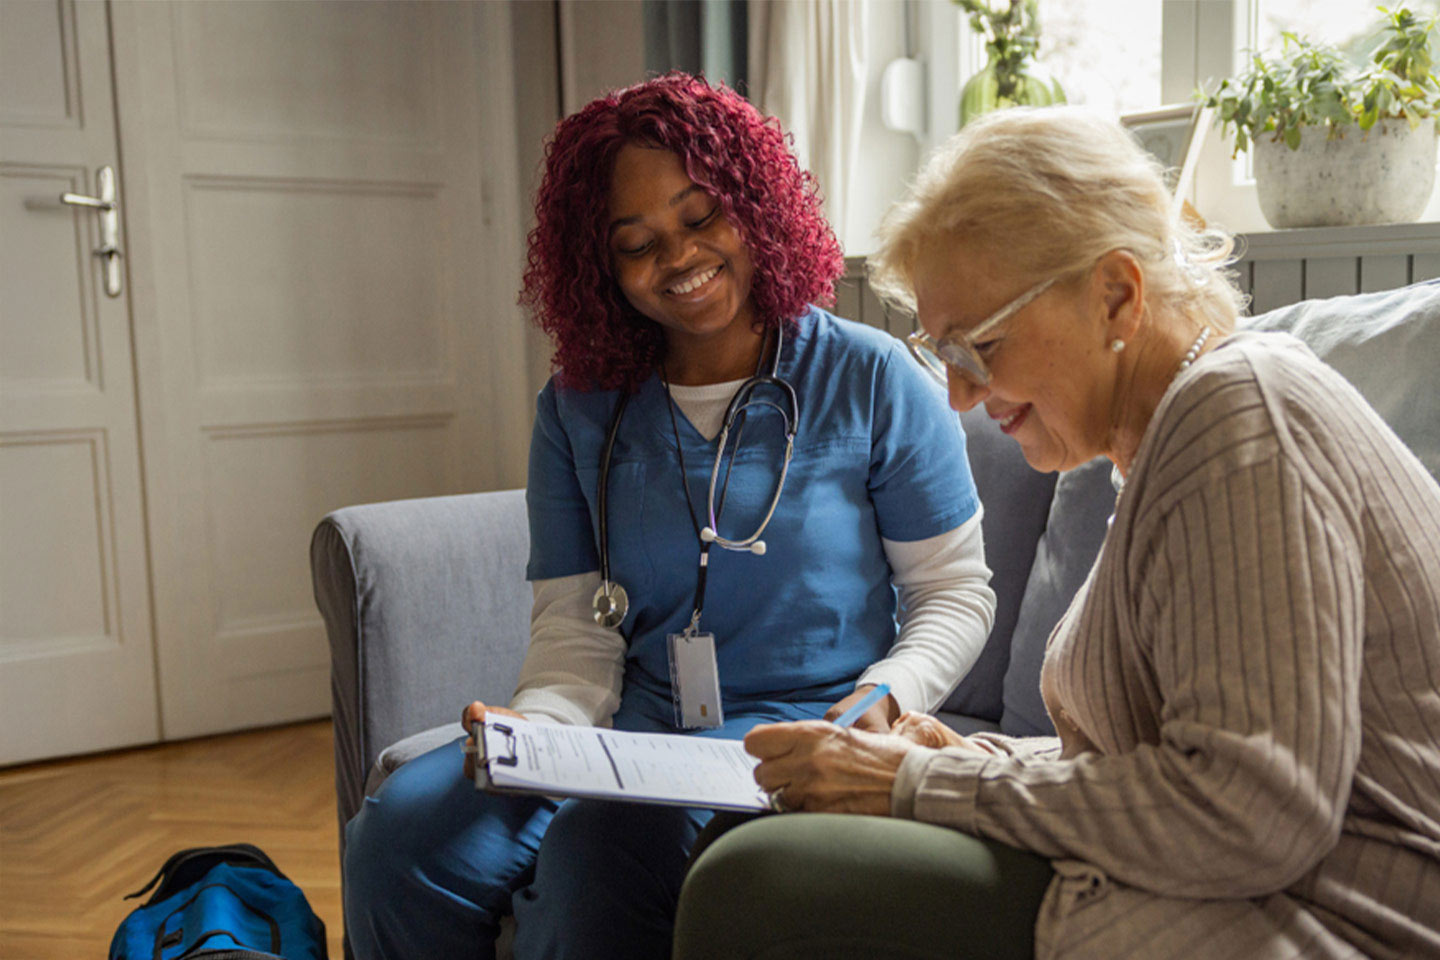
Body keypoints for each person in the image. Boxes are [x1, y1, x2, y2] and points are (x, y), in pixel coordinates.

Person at [674, 105, 1440, 960]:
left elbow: (1251, 811)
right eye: (944, 353)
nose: (960, 396)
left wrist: (917, 777)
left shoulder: (1240, 419)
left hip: (1336, 916)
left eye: (981, 346)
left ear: (1116, 294)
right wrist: (965, 751)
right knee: (759, 863)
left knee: (761, 883)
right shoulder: (1164, 444)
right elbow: (1159, 765)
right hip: (1243, 890)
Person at [341, 73, 998, 960]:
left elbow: (954, 592)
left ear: (755, 207)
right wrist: (538, 733)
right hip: (630, 732)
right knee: (400, 831)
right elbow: (576, 630)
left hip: (799, 727)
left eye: (700, 218)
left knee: (600, 852)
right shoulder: (579, 407)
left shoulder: (872, 377)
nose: (678, 259)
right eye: (635, 243)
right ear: (598, 266)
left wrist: (882, 701)